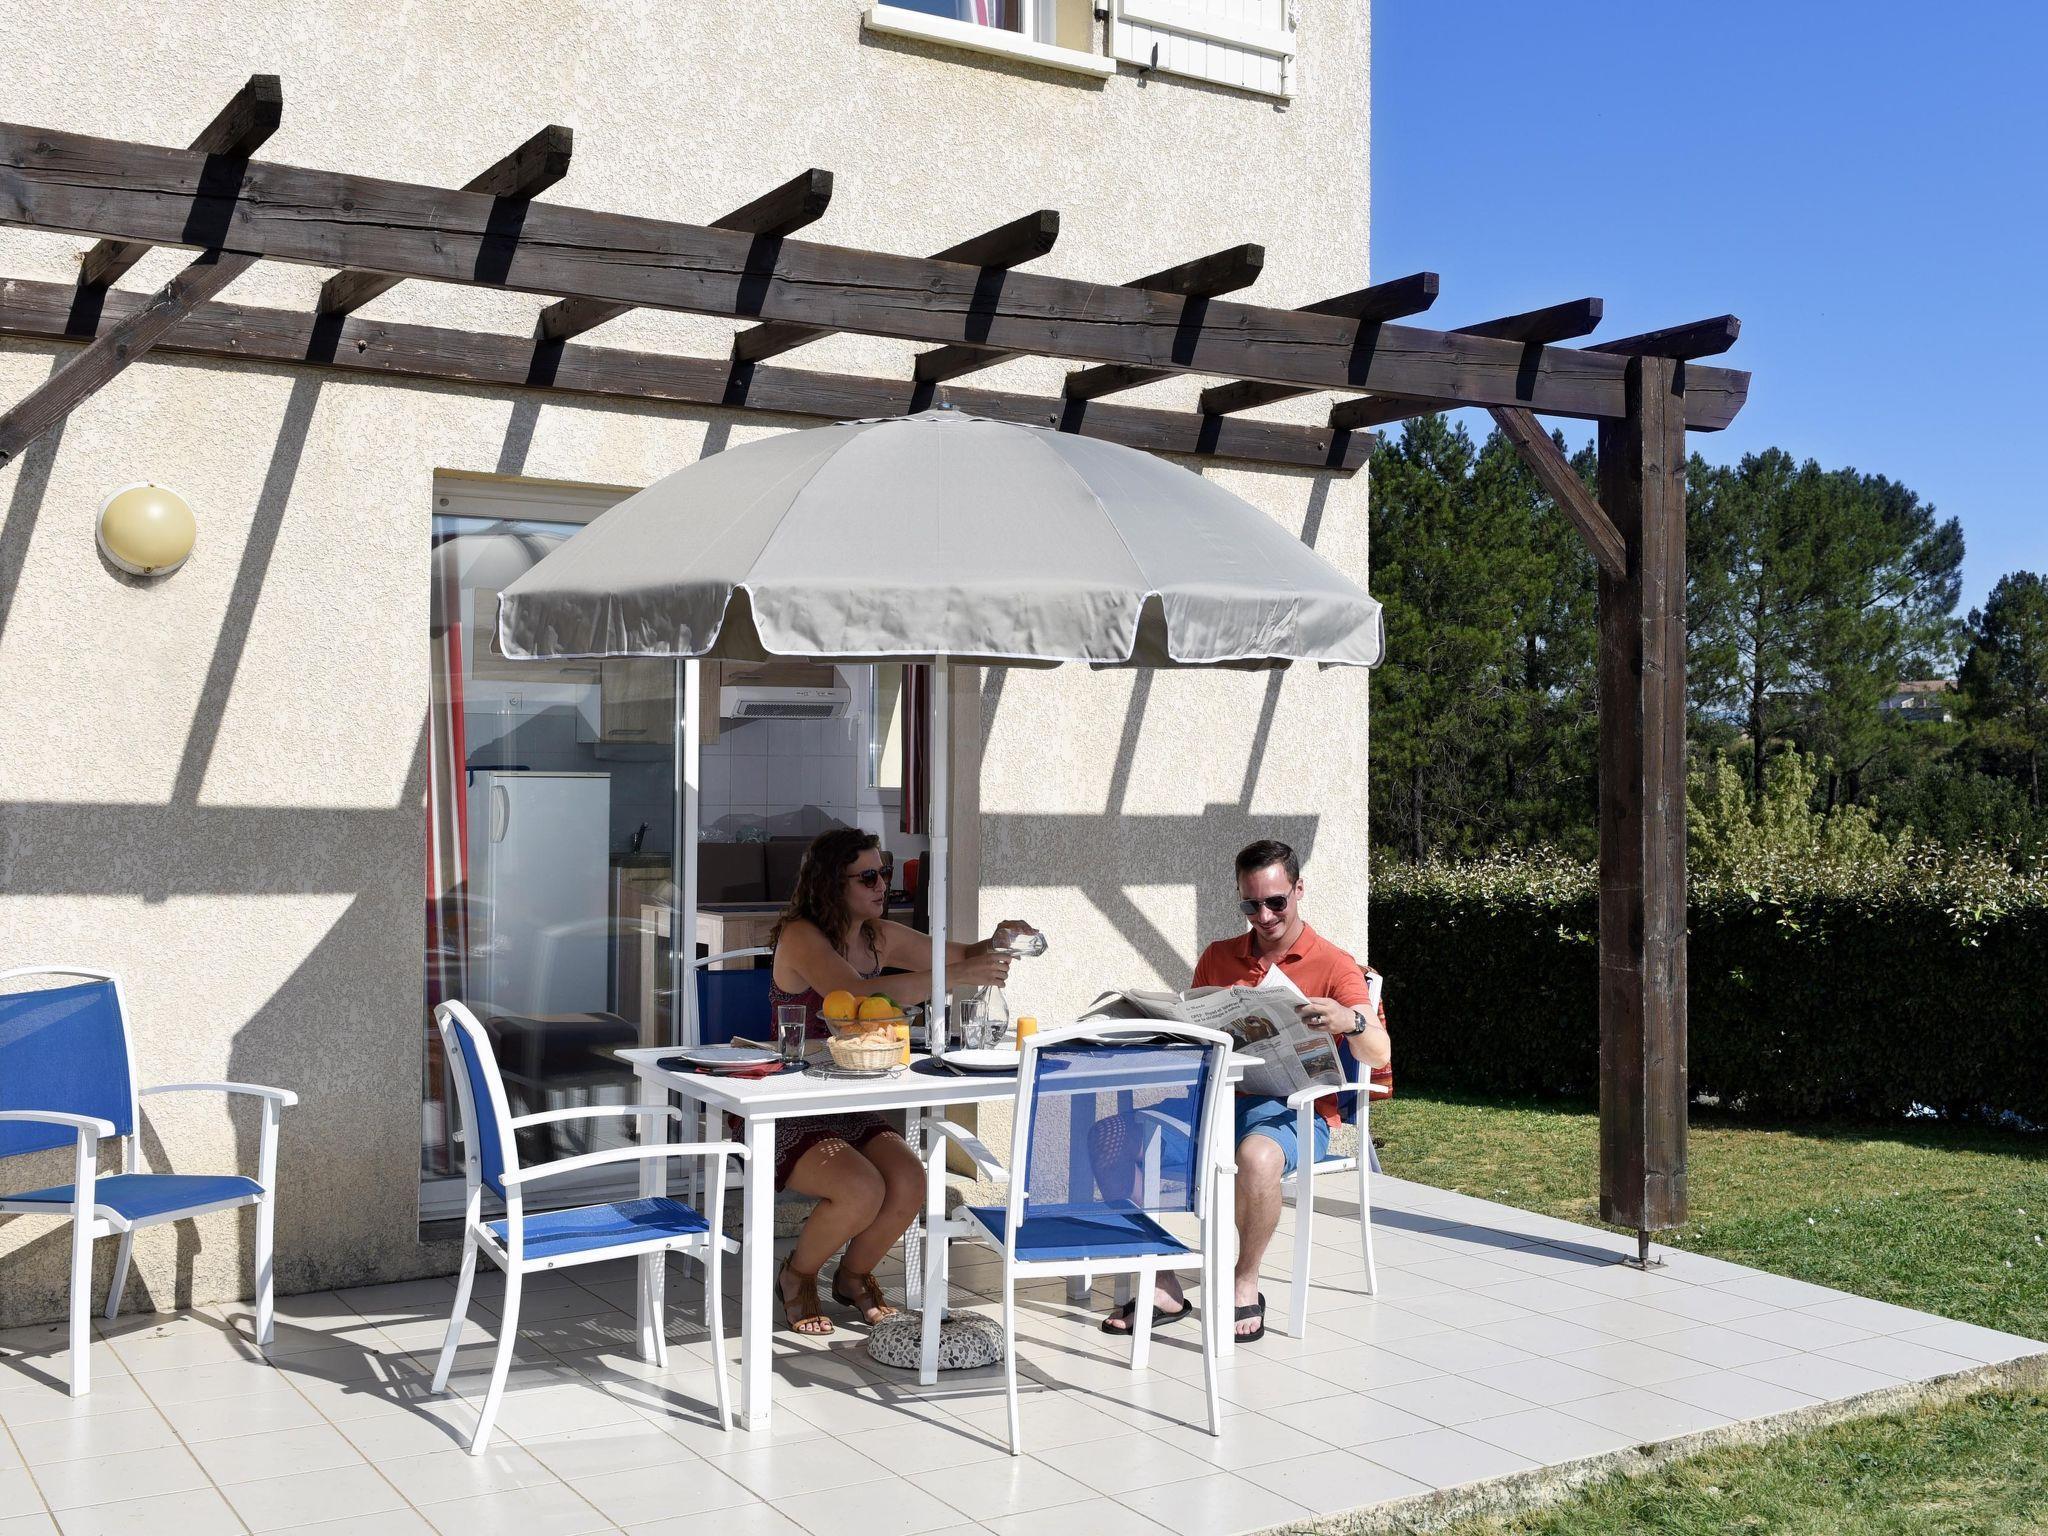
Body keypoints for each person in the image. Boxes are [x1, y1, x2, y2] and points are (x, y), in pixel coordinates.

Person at [1101, 837, 1390, 1344]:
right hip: (1215, 1102)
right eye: (1250, 905)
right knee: (1109, 1136)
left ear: (1299, 890)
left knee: (1256, 1158)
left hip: (1294, 1110)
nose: (1264, 916)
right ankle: (1163, 1280)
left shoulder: (1334, 964)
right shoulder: (1219, 956)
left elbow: (1379, 1053)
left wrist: (1351, 1021)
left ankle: (1244, 1278)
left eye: (1275, 901)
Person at [766, 826, 1037, 1335]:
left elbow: (957, 955)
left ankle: (852, 1276)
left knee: (911, 1181)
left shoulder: (876, 934)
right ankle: (797, 1274)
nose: (882, 884)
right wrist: (950, 980)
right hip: (788, 1099)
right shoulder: (801, 935)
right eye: (868, 876)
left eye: (884, 871)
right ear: (832, 883)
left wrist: (998, 940)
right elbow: (851, 992)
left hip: (849, 1098)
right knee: (861, 1188)